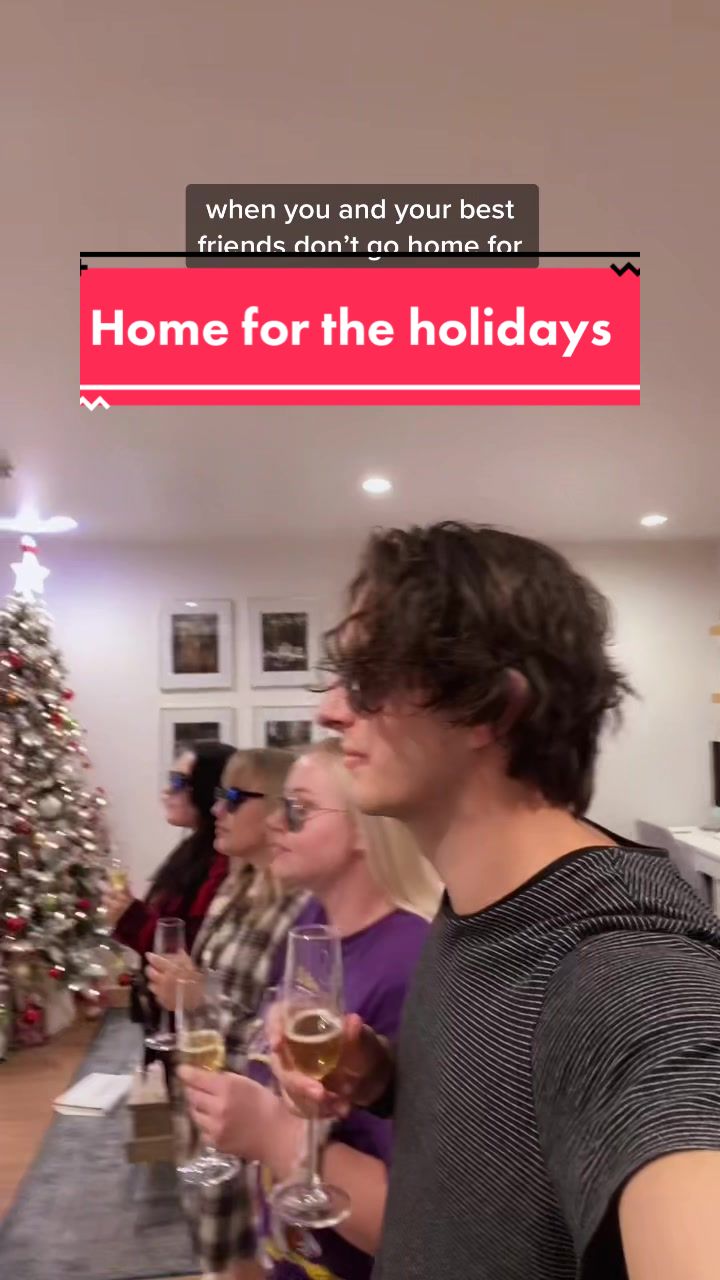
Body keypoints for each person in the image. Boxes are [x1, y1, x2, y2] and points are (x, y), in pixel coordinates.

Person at [271, 521, 720, 1280]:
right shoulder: (483, 910)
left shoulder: (629, 975)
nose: (332, 711)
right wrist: (384, 1078)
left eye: (371, 677)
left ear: (489, 710)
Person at [179, 737, 441, 1280]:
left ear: (365, 828)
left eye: (298, 809)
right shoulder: (313, 927)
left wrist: (270, 1132)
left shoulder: (408, 963)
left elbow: (411, 1220)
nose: (276, 822)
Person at [147, 747, 308, 1280]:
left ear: (277, 808)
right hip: (206, 1108)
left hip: (249, 1125)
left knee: (244, 1258)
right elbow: (216, 991)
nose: (217, 809)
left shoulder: (300, 907)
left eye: (233, 797)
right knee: (212, 1254)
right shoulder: (235, 886)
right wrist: (186, 993)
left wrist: (196, 1000)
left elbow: (279, 1040)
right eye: (218, 795)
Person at [103, 740, 235, 1060]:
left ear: (206, 788)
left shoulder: (222, 860)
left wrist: (130, 918)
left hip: (194, 1031)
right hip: (170, 1016)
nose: (167, 792)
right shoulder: (195, 850)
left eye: (178, 782)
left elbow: (191, 951)